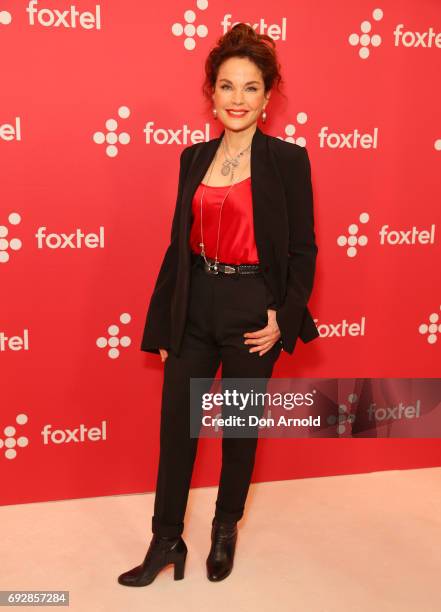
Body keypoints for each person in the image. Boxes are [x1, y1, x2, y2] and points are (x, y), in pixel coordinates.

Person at [118, 22, 320, 587]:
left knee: (237, 429)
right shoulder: (193, 157)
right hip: (195, 303)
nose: (237, 99)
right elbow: (176, 247)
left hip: (254, 309)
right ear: (211, 93)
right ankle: (165, 539)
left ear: (268, 94)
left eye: (250, 87)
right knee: (175, 428)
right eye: (227, 86)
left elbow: (303, 249)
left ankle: (224, 530)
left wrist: (284, 315)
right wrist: (162, 323)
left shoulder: (288, 161)